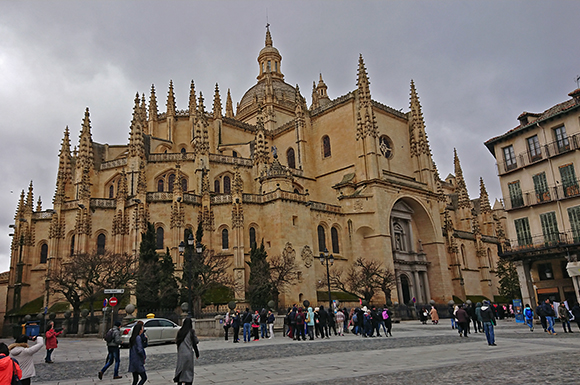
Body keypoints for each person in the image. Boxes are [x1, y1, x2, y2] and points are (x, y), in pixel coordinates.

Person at [173, 318, 199, 385]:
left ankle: (179, 381)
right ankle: (188, 382)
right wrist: (197, 353)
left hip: (181, 354)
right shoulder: (191, 332)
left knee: (181, 369)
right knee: (188, 370)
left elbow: (177, 342)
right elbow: (195, 342)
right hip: (188, 354)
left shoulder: (180, 331)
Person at [128, 321, 147, 385]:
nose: (143, 329)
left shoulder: (133, 338)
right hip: (138, 360)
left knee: (135, 379)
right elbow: (140, 349)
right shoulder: (138, 338)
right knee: (144, 378)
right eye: (142, 328)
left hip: (133, 360)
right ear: (140, 330)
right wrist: (143, 356)